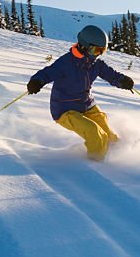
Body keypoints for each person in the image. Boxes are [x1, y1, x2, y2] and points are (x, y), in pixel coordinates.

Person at [27, 24, 134, 161]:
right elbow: (47, 73)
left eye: (103, 51)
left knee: (109, 135)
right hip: (65, 110)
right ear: (84, 46)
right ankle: (96, 165)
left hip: (87, 105)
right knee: (94, 132)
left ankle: (118, 156)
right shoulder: (66, 63)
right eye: (96, 51)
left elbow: (111, 75)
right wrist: (36, 82)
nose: (99, 55)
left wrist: (122, 81)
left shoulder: (96, 64)